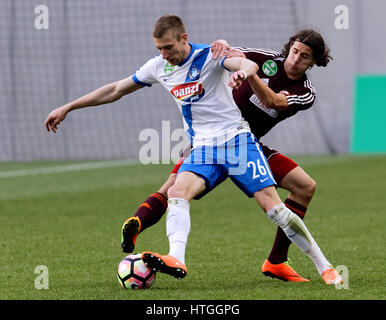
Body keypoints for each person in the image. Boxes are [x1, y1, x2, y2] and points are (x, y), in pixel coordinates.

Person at [45, 15, 342, 285]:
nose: (164, 55)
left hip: (239, 142)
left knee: (275, 209)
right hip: (203, 147)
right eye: (159, 48)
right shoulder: (158, 67)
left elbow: (245, 65)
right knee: (176, 191)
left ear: (184, 39)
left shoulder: (208, 58)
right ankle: (176, 258)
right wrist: (69, 106)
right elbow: (115, 89)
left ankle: (324, 266)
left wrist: (243, 72)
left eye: (169, 48)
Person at [121, 29, 332, 283]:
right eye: (295, 51)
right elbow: (231, 55)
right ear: (290, 48)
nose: (295, 59)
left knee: (305, 187)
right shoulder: (266, 59)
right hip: (212, 136)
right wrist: (222, 44)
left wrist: (249, 74)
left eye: (305, 56)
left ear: (314, 61)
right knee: (173, 188)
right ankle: (137, 225)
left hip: (247, 143)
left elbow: (274, 101)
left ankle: (276, 261)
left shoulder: (305, 90)